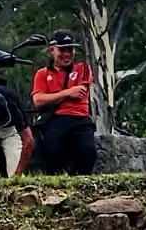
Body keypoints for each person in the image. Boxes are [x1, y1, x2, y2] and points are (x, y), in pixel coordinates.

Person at [31, 30, 98, 175]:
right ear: (52, 50)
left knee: (88, 151)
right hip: (56, 118)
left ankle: (80, 179)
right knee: (51, 151)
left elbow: (80, 93)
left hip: (80, 118)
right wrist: (68, 92)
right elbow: (38, 100)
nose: (67, 54)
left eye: (70, 49)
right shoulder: (42, 73)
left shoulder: (83, 69)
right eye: (62, 50)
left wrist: (52, 96)